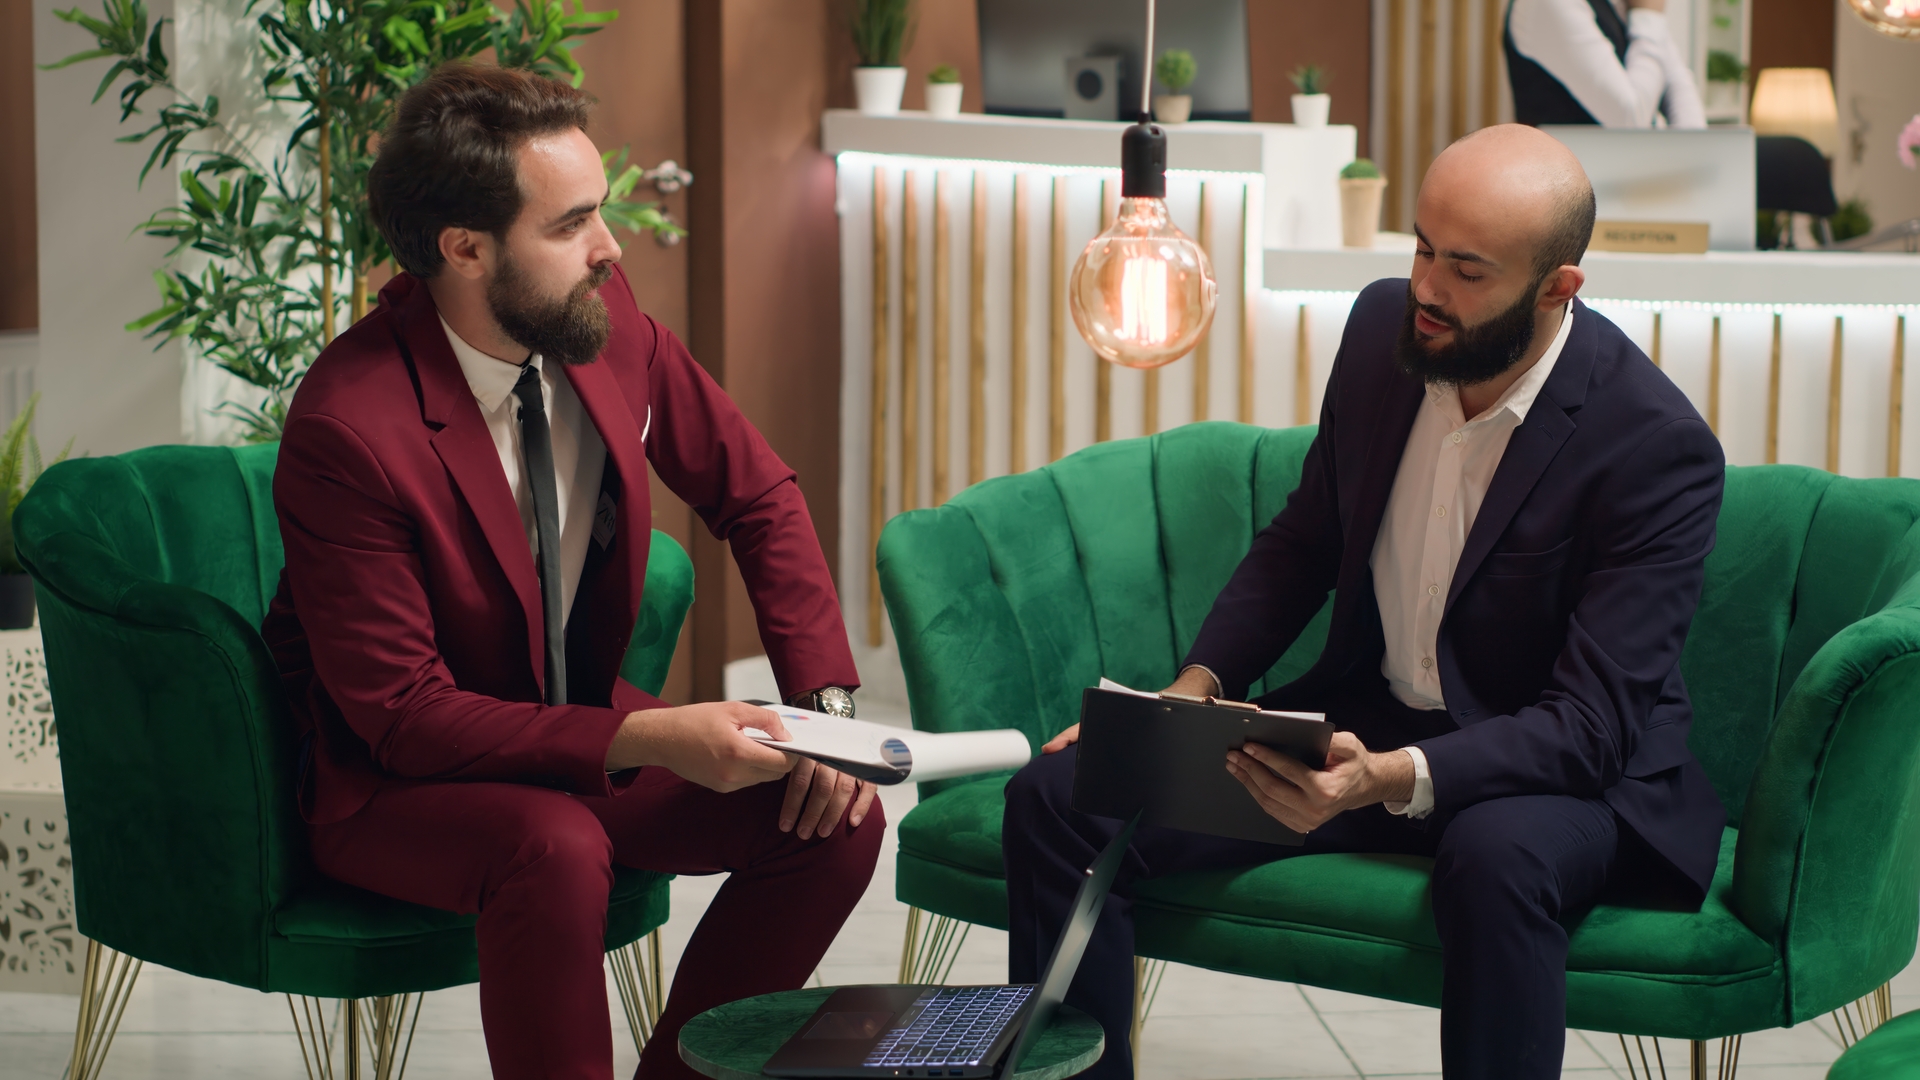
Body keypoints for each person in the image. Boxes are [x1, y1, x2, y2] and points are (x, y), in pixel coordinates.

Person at [1003, 124, 1727, 1079]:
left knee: (1497, 856)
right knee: (1061, 798)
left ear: (1558, 289)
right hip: (1364, 726)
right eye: (1422, 247)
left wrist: (1386, 776)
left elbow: (1590, 727)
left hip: (1568, 776)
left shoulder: (1654, 445)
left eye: (1467, 271)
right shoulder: (1386, 332)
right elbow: (1305, 541)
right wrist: (1190, 693)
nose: (1428, 288)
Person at [260, 62, 882, 1080]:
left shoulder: (594, 315)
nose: (610, 247)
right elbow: (403, 716)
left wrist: (825, 707)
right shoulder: (349, 427)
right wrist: (649, 734)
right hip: (393, 782)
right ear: (464, 250)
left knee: (830, 816)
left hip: (571, 723)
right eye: (570, 225)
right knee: (553, 846)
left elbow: (755, 491)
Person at [1506, 0, 1707, 128]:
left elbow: (1676, 81)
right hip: (1567, 184)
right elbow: (1629, 118)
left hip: (1626, 177)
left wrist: (1692, 154)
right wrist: (1649, 17)